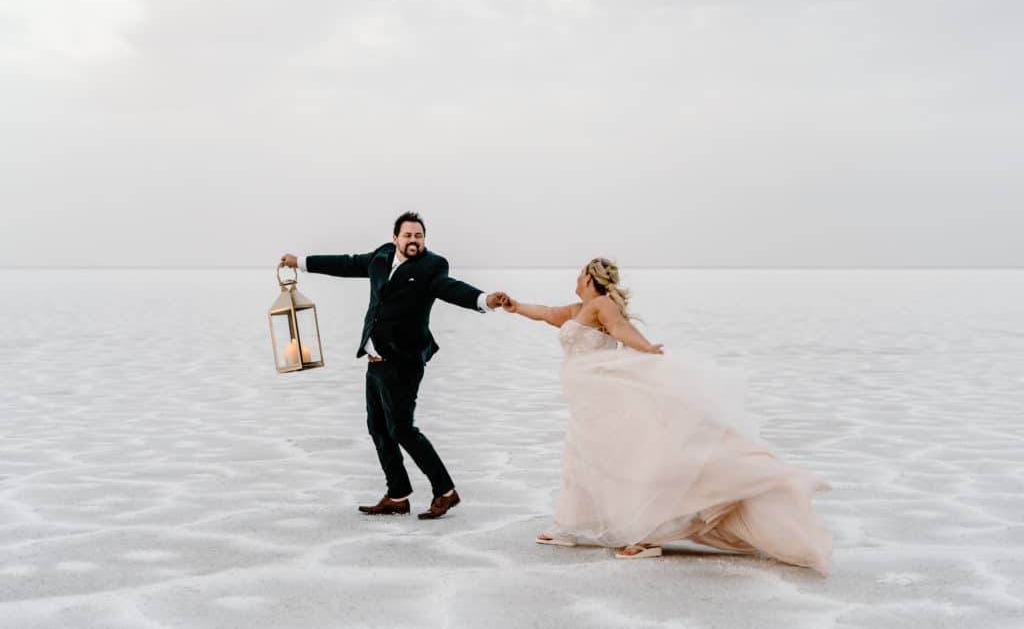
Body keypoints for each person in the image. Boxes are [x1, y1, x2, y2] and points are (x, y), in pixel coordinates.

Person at [502, 257, 832, 573]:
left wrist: (646, 349)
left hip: (606, 393)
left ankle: (647, 534)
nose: (575, 280)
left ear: (588, 278)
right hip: (585, 398)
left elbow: (619, 327)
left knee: (622, 458)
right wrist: (516, 307)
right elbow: (546, 313)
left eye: (578, 275)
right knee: (583, 456)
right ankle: (570, 525)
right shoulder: (578, 310)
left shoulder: (602, 305)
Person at [280, 211, 508, 520]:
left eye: (419, 236)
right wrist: (302, 261)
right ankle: (398, 494)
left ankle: (446, 492)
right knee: (378, 428)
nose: (414, 241)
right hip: (375, 359)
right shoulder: (381, 256)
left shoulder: (432, 266)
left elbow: (451, 288)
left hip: (404, 361)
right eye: (408, 236)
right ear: (395, 238)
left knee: (402, 428)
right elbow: (346, 264)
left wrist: (484, 299)